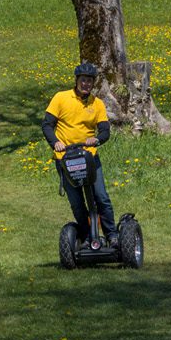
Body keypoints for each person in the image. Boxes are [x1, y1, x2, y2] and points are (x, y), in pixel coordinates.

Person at [42, 62, 116, 243]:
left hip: (89, 157)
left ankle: (111, 235)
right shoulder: (61, 98)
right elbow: (47, 125)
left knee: (101, 197)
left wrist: (96, 139)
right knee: (76, 202)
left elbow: (105, 131)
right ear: (76, 80)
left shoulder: (97, 104)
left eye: (89, 81)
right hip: (65, 158)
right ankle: (87, 236)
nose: (86, 84)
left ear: (93, 83)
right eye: (83, 80)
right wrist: (55, 142)